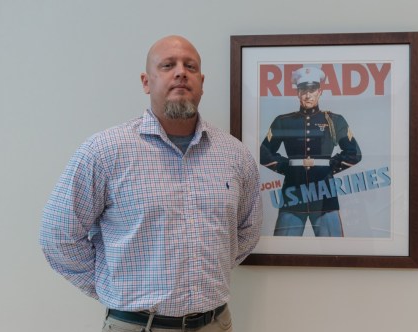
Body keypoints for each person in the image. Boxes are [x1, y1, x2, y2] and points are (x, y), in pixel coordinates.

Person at [40, 35, 262, 332]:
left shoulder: (234, 154)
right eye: (168, 65)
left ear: (202, 82)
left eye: (190, 66)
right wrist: (114, 286)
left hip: (215, 323)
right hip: (135, 325)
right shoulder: (104, 151)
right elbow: (59, 235)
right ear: (147, 81)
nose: (181, 72)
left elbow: (247, 231)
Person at [260, 66, 361, 237]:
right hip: (293, 195)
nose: (308, 95)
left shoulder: (334, 120)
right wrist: (288, 168)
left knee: (333, 252)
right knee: (284, 253)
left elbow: (354, 153)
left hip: (325, 195)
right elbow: (264, 153)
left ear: (320, 92)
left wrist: (329, 168)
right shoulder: (283, 121)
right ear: (297, 93)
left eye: (312, 90)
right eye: (303, 90)